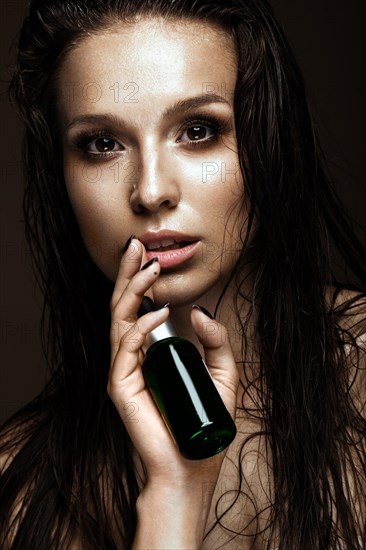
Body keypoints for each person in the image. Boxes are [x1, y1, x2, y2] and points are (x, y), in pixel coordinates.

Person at [0, 0, 365, 548]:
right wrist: (175, 495)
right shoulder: (23, 487)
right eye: (103, 144)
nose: (150, 192)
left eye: (198, 130)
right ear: (62, 175)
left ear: (268, 141)